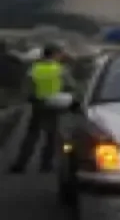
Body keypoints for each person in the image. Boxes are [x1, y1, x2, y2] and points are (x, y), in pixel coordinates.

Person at [8, 44, 75, 174]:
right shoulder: (60, 69)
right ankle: (46, 164)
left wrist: (31, 98)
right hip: (55, 105)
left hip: (38, 105)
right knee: (52, 136)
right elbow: (71, 85)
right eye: (60, 53)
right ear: (54, 54)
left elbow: (27, 87)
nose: (61, 56)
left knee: (32, 135)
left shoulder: (34, 68)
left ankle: (21, 163)